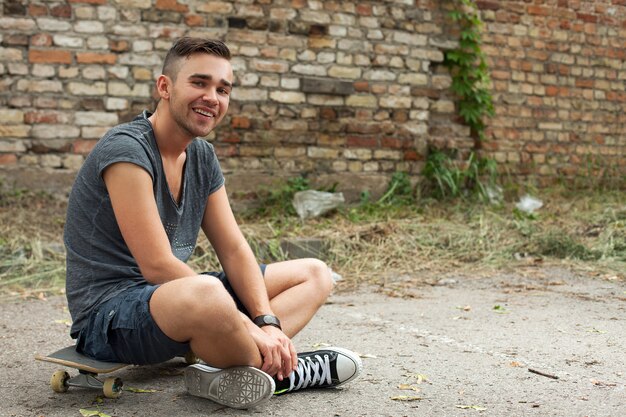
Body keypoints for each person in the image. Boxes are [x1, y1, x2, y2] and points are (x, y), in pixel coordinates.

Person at [63, 37, 361, 409]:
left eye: (223, 89)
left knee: (314, 273)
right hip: (109, 317)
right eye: (199, 83)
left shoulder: (201, 156)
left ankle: (233, 367)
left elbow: (234, 249)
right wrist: (250, 326)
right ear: (165, 87)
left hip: (174, 302)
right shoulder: (127, 150)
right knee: (207, 292)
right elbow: (155, 265)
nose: (212, 97)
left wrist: (266, 321)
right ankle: (283, 373)